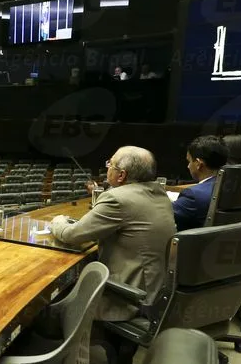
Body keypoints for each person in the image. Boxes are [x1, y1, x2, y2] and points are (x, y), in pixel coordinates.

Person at [49, 146, 175, 321]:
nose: (107, 167)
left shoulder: (116, 199)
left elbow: (72, 235)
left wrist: (57, 221)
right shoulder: (159, 193)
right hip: (154, 290)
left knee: (54, 303)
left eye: (110, 164)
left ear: (121, 175)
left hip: (128, 298)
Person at [173, 136, 228, 231]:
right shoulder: (233, 187)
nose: (188, 166)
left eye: (189, 161)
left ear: (198, 164)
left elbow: (162, 216)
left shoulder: (193, 196)